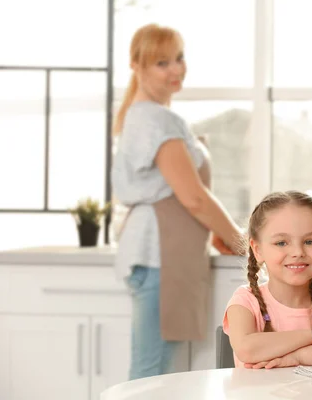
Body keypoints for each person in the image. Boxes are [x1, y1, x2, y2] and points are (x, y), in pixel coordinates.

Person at [111, 23, 244, 380]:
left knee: (154, 370)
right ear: (136, 67)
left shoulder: (145, 116)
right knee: (151, 373)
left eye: (179, 59)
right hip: (160, 257)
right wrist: (243, 242)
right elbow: (194, 198)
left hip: (161, 255)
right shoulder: (156, 120)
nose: (176, 69)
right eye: (162, 63)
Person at [223, 191, 312, 369]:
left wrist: (298, 357)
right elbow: (247, 349)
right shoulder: (245, 301)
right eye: (281, 243)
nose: (297, 252)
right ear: (258, 250)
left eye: (310, 242)